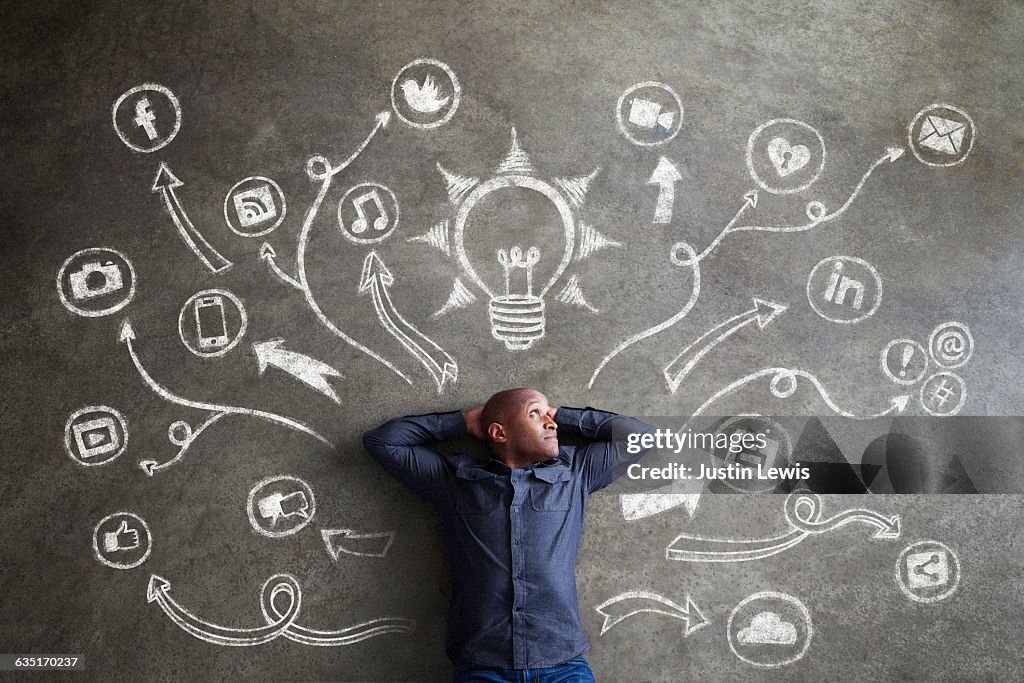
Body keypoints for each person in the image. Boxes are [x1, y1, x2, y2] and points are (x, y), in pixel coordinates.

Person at [362, 388, 657, 683]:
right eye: (534, 413)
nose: (550, 423)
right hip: (483, 667)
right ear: (499, 433)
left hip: (563, 664)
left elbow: (642, 435)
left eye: (547, 414)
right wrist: (462, 423)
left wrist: (563, 416)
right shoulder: (454, 479)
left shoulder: (576, 471)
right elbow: (382, 441)